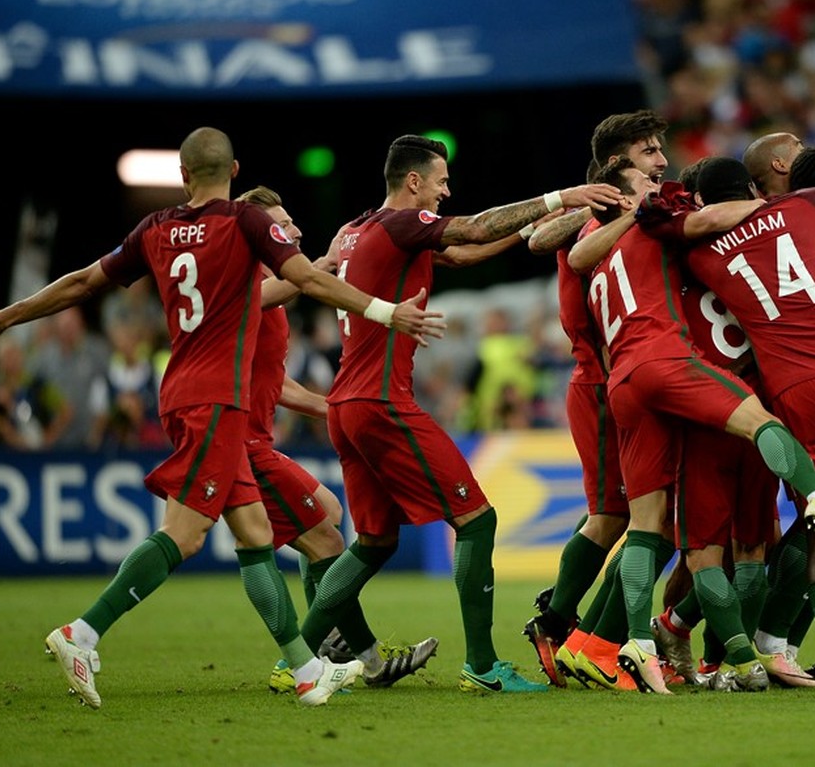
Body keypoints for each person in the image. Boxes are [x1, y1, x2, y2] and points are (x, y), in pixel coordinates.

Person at [0, 126, 445, 709]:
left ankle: (309, 672)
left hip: (188, 394)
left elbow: (83, 282)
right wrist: (385, 311)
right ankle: (81, 634)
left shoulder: (154, 228)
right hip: (214, 401)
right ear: (234, 173)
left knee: (256, 534)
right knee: (184, 535)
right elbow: (306, 279)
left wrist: (7, 315)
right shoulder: (245, 222)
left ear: (183, 176)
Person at [295, 134, 623, 694]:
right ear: (414, 180)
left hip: (344, 407)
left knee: (374, 541)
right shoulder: (401, 223)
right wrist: (558, 196)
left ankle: (296, 656)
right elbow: (470, 229)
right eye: (441, 180)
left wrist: (534, 229)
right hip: (380, 402)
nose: (448, 190)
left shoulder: (355, 230)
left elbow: (466, 252)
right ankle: (481, 664)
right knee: (477, 519)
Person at [567, 158, 815, 695]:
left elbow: (572, 252)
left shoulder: (636, 245)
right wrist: (774, 206)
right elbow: (704, 220)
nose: (658, 181)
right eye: (646, 175)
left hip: (633, 384)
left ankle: (658, 645)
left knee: (663, 532)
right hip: (704, 380)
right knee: (749, 531)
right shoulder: (677, 233)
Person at [235, 186, 439, 694]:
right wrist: (314, 271)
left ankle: (326, 644)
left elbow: (276, 384)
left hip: (252, 439)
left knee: (325, 513)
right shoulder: (240, 287)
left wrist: (333, 407)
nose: (294, 231)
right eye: (281, 225)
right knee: (324, 538)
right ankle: (364, 659)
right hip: (239, 445)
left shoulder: (271, 294)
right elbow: (269, 294)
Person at [522, 110, 671, 689]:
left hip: (619, 380)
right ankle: (565, 627)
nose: (660, 161)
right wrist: (603, 204)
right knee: (621, 517)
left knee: (631, 517)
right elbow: (537, 236)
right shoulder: (596, 213)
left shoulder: (636, 211)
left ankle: (584, 633)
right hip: (604, 381)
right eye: (648, 151)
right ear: (617, 164)